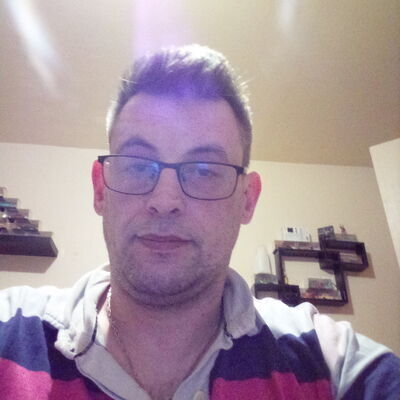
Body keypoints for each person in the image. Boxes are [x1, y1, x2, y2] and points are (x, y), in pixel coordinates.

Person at [0, 45, 399, 400]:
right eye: (138, 165)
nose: (165, 202)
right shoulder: (11, 331)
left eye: (205, 170)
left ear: (248, 200)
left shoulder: (329, 363)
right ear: (100, 189)